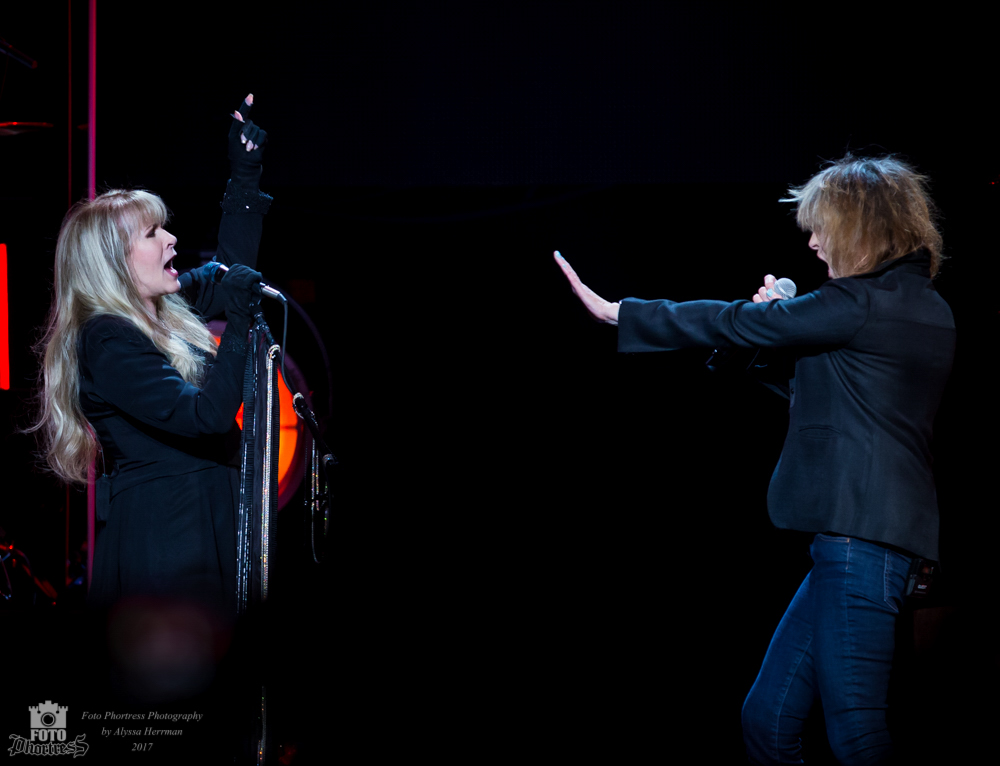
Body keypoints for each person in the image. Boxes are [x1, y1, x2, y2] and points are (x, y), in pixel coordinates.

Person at [554, 154, 955, 765]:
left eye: (822, 227)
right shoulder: (916, 304)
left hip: (861, 540)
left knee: (858, 737)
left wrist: (621, 312)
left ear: (860, 226)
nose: (815, 242)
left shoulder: (861, 303)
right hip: (855, 541)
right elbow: (820, 397)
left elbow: (732, 320)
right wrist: (773, 326)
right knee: (768, 723)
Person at [31, 94, 272, 617]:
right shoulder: (107, 340)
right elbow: (204, 418)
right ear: (115, 262)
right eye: (153, 232)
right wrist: (235, 327)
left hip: (206, 519)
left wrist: (244, 177)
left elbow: (227, 276)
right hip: (167, 540)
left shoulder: (157, 309)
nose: (172, 239)